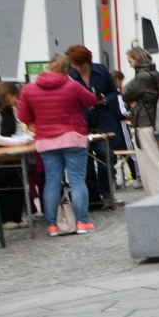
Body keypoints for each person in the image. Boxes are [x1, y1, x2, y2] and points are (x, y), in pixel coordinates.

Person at [17, 55, 100, 234]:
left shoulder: (29, 89)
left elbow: (23, 116)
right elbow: (91, 100)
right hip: (73, 137)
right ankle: (82, 222)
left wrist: (37, 122)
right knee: (77, 180)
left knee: (52, 183)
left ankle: (53, 225)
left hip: (46, 140)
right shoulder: (73, 85)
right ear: (68, 69)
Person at [65, 44, 120, 205]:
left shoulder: (101, 71)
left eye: (81, 64)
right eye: (75, 65)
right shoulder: (71, 75)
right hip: (82, 121)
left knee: (106, 157)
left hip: (103, 120)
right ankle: (92, 197)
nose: (79, 68)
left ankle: (107, 192)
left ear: (87, 61)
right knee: (85, 161)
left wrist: (105, 100)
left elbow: (114, 92)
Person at [120, 47, 159, 195]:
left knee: (152, 161)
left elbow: (125, 94)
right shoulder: (155, 74)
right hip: (152, 121)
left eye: (130, 61)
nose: (129, 64)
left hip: (144, 123)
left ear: (136, 59)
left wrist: (133, 99)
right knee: (156, 158)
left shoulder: (143, 77)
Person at [0, 81, 32, 228]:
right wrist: (19, 141)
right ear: (9, 96)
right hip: (3, 153)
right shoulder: (0, 112)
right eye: (15, 97)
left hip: (10, 151)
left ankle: (16, 217)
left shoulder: (9, 110)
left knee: (17, 181)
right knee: (5, 183)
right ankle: (6, 218)